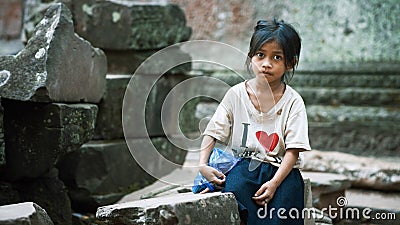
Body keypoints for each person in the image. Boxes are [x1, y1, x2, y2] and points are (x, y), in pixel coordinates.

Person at [198, 18, 311, 224]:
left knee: (284, 211)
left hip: (282, 171)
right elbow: (213, 131)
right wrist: (202, 165)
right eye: (261, 55)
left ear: (290, 63)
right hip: (244, 168)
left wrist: (274, 183)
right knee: (235, 194)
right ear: (251, 57)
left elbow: (293, 151)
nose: (266, 64)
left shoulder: (293, 101)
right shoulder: (236, 94)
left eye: (276, 57)